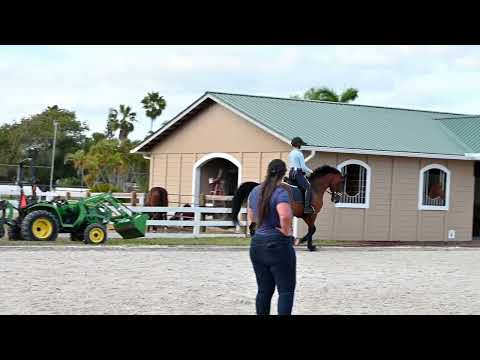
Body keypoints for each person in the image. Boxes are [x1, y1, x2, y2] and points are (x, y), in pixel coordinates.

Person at [247, 159, 296, 315]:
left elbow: (251, 216)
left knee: (263, 291)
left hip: (257, 244)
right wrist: (286, 231)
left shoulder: (255, 191)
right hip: (277, 244)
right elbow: (285, 215)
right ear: (283, 173)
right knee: (285, 291)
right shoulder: (280, 191)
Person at [288, 137, 314, 214]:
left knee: (297, 187)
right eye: (301, 145)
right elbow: (303, 167)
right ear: (298, 145)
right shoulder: (299, 153)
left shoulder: (291, 153)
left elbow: (292, 165)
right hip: (297, 173)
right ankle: (307, 207)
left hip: (291, 173)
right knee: (308, 187)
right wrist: (311, 171)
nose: (301, 146)